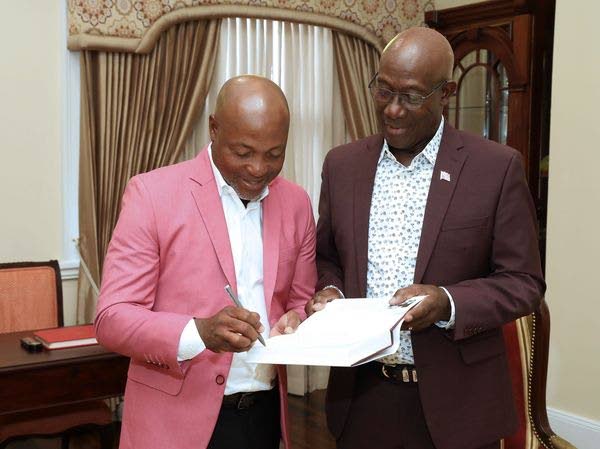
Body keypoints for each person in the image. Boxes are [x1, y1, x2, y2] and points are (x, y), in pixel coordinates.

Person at [306, 27, 545, 449]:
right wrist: (329, 290)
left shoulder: (496, 168)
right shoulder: (342, 166)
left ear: (446, 92)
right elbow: (328, 258)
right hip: (362, 397)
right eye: (383, 90)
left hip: (459, 404)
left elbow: (523, 283)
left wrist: (446, 302)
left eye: (412, 96)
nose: (393, 110)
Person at [95, 75, 317, 449]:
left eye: (274, 154)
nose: (258, 168)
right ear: (214, 129)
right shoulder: (152, 194)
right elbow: (112, 318)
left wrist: (299, 318)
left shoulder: (296, 203)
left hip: (263, 417)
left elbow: (300, 301)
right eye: (243, 152)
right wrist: (198, 333)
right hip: (172, 422)